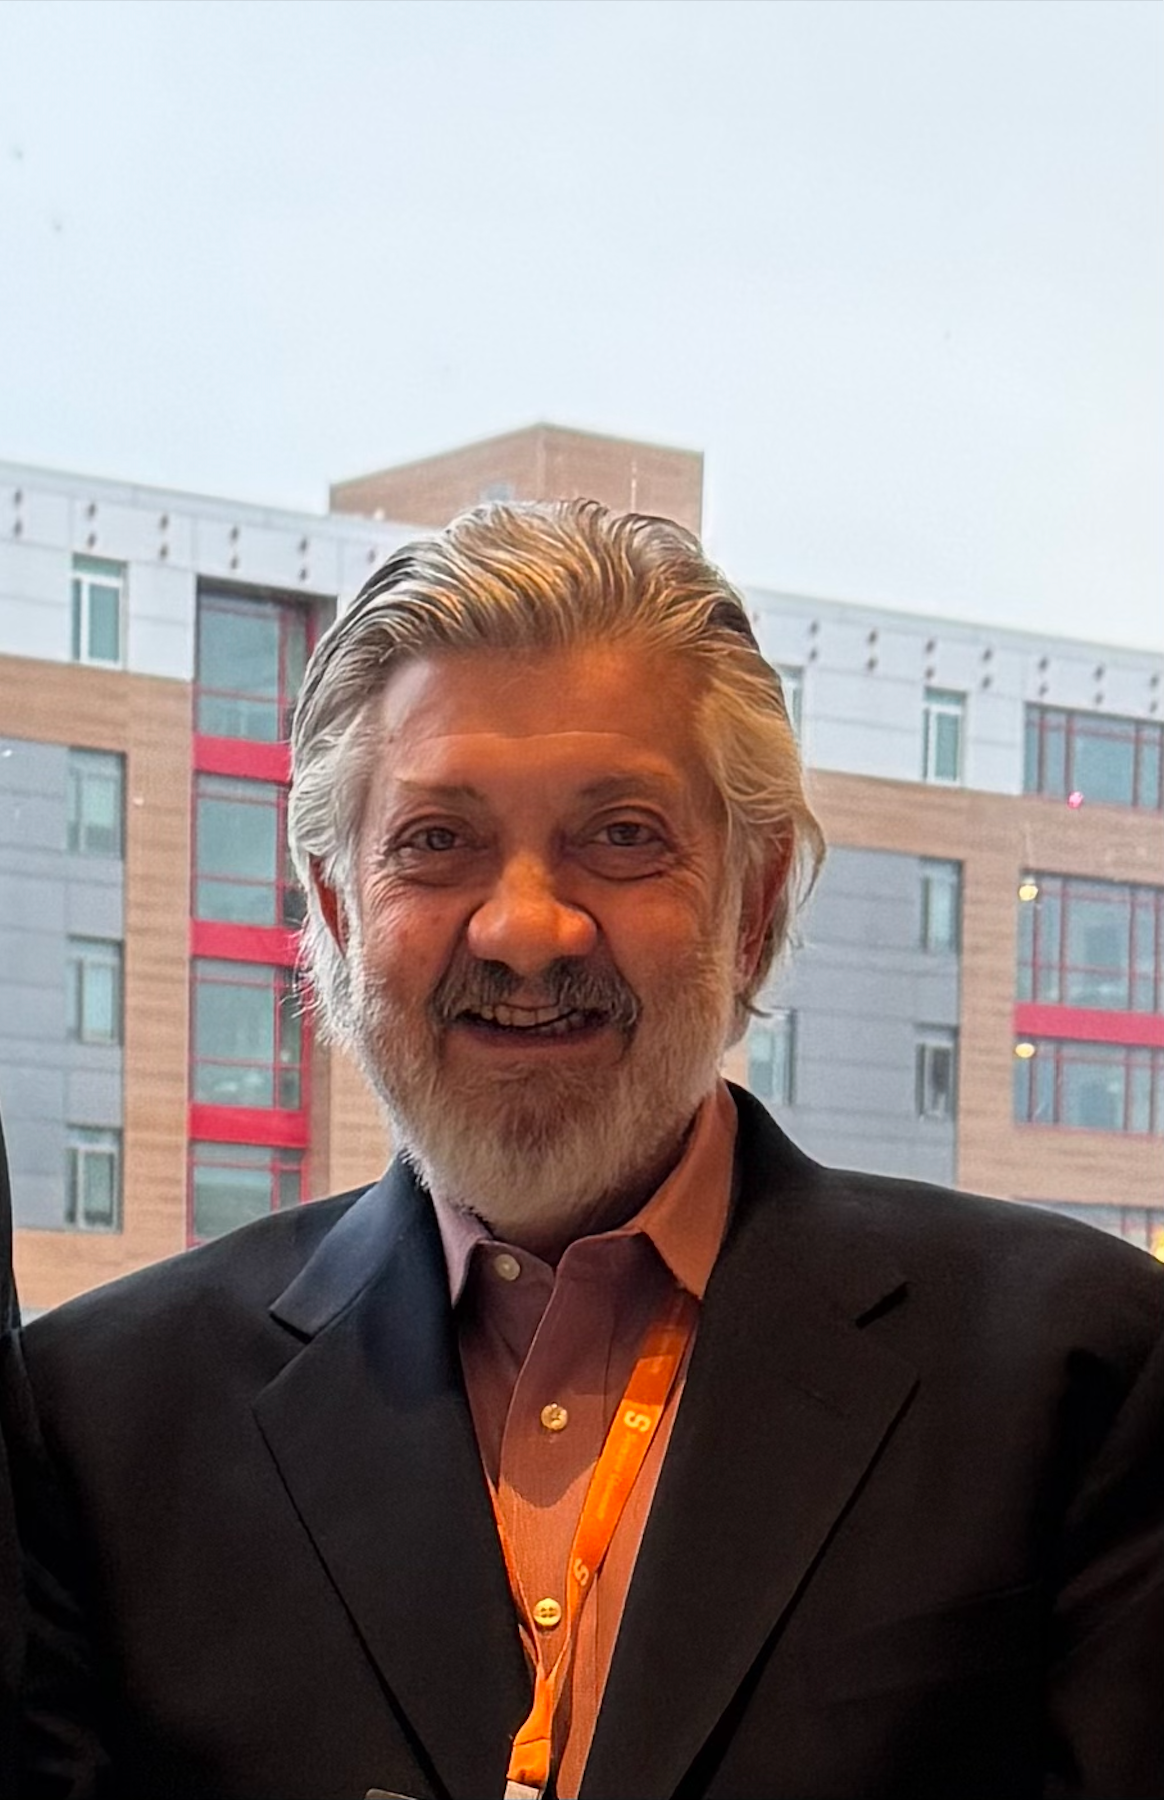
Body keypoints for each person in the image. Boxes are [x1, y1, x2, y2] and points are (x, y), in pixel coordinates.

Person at [2, 501, 1162, 1800]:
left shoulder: (1078, 1378)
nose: (525, 928)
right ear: (335, 912)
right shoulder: (94, 1426)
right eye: (437, 843)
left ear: (755, 901)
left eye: (621, 836)